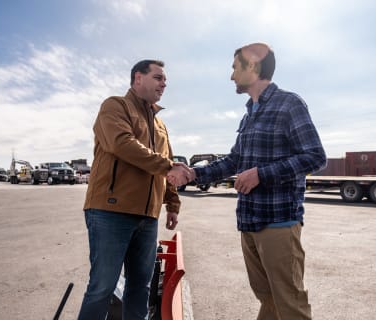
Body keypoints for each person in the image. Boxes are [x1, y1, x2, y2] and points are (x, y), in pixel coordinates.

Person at [168, 43, 326, 319]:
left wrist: (261, 174)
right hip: (249, 221)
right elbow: (233, 161)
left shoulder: (289, 104)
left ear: (252, 66)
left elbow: (315, 156)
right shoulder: (248, 116)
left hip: (279, 222)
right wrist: (193, 173)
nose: (231, 76)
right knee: (268, 298)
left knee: (290, 303)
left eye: (234, 68)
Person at [78, 59, 191, 320]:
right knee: (101, 288)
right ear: (138, 78)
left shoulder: (160, 125)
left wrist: (172, 205)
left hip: (148, 217)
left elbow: (168, 163)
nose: (164, 83)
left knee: (141, 287)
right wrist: (167, 167)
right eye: (158, 77)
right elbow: (122, 144)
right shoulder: (115, 106)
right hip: (110, 211)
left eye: (165, 79)